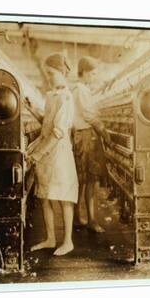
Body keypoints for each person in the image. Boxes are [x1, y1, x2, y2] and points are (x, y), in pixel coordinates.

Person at [25, 53, 78, 256]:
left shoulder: (66, 98)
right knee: (45, 196)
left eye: (52, 73)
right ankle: (50, 238)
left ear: (62, 72)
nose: (49, 77)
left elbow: (58, 132)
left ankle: (68, 241)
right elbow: (46, 123)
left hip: (59, 153)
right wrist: (31, 110)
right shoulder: (51, 96)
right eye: (48, 74)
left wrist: (39, 154)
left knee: (64, 198)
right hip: (47, 151)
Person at [71, 56, 109, 233]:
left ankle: (79, 218)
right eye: (92, 73)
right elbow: (88, 114)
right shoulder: (80, 90)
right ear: (84, 72)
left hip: (83, 136)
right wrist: (103, 131)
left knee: (83, 179)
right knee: (89, 180)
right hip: (87, 137)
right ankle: (90, 220)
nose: (94, 77)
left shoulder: (81, 90)